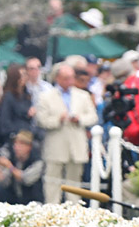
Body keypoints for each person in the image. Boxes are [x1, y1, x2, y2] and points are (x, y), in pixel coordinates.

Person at [35, 63, 98, 204]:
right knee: (52, 180)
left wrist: (79, 119)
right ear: (57, 78)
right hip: (55, 145)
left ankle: (74, 208)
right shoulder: (46, 96)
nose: (69, 81)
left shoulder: (83, 95)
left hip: (77, 146)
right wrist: (59, 119)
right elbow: (41, 120)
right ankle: (52, 209)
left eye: (71, 78)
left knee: (74, 181)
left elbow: (93, 117)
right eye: (65, 78)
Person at [0, 130, 45, 205]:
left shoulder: (37, 161)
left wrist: (9, 166)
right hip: (14, 197)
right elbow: (2, 181)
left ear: (29, 146)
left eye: (21, 144)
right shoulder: (11, 155)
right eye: (15, 143)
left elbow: (25, 179)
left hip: (32, 199)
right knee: (0, 190)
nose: (17, 147)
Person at [0, 63, 34, 146]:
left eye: (25, 74)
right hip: (12, 139)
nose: (25, 77)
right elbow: (4, 122)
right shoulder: (8, 97)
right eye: (22, 75)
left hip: (26, 138)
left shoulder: (26, 96)